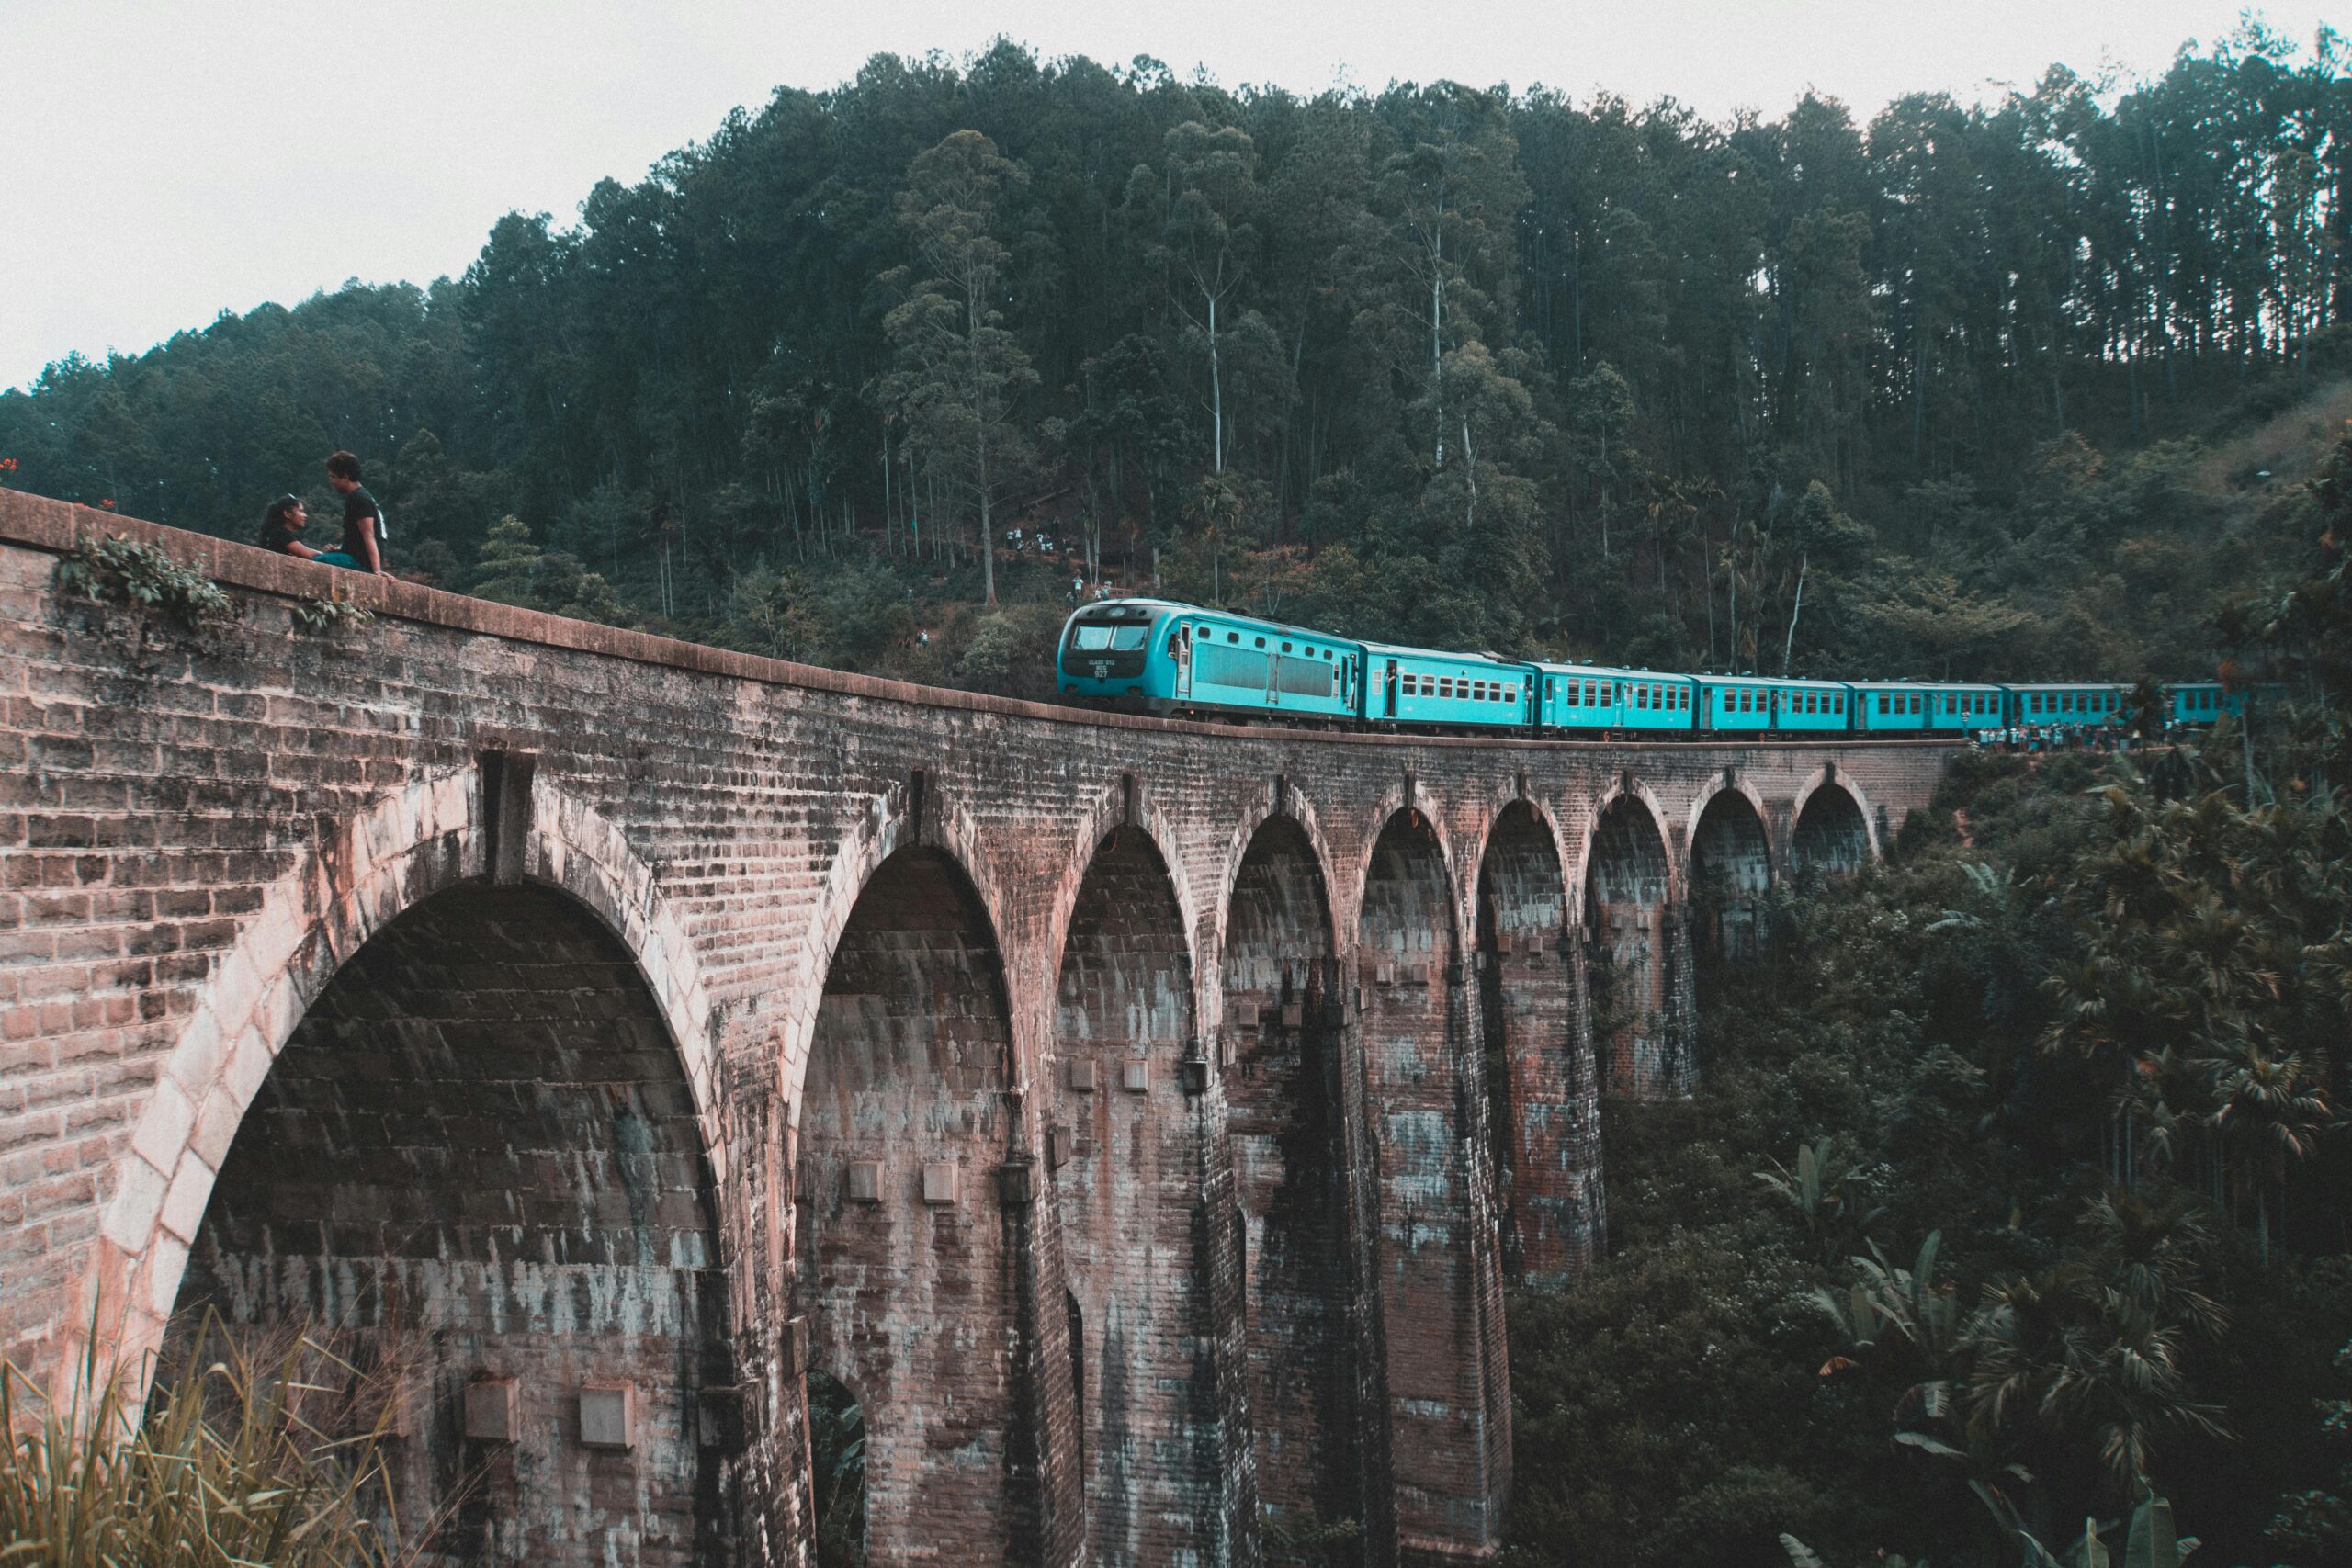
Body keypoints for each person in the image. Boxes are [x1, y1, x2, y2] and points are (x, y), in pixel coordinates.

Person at [317, 450, 383, 572]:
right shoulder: (356, 497)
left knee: (315, 564)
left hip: (359, 562)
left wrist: (376, 571)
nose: (331, 481)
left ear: (346, 477)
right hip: (352, 557)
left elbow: (369, 534)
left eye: (333, 477)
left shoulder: (359, 498)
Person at [255, 494, 320, 559]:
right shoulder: (281, 534)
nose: (305, 515)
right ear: (287, 514)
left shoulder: (283, 533)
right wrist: (327, 555)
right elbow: (309, 554)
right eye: (300, 511)